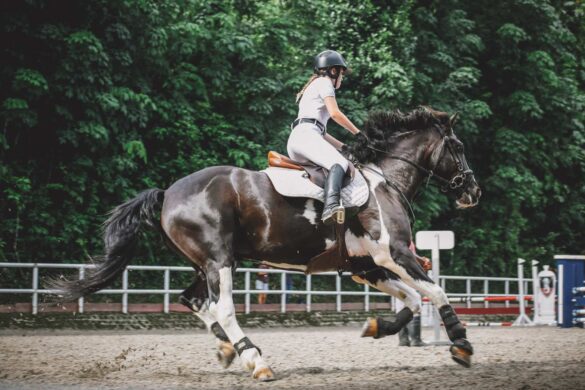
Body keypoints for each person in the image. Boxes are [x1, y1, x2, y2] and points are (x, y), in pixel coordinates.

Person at [288, 50, 366, 225]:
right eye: (341, 73)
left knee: (338, 160)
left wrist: (345, 147)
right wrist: (359, 133)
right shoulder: (324, 82)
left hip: (300, 138)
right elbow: (335, 113)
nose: (342, 77)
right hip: (307, 137)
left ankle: (329, 203)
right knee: (339, 164)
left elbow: (321, 133)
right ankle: (331, 206)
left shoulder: (313, 86)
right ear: (333, 71)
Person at [397, 241, 432, 347]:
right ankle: (416, 340)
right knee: (415, 304)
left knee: (400, 306)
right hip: (408, 275)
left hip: (396, 276)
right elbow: (410, 255)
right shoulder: (405, 239)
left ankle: (403, 339)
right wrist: (423, 260)